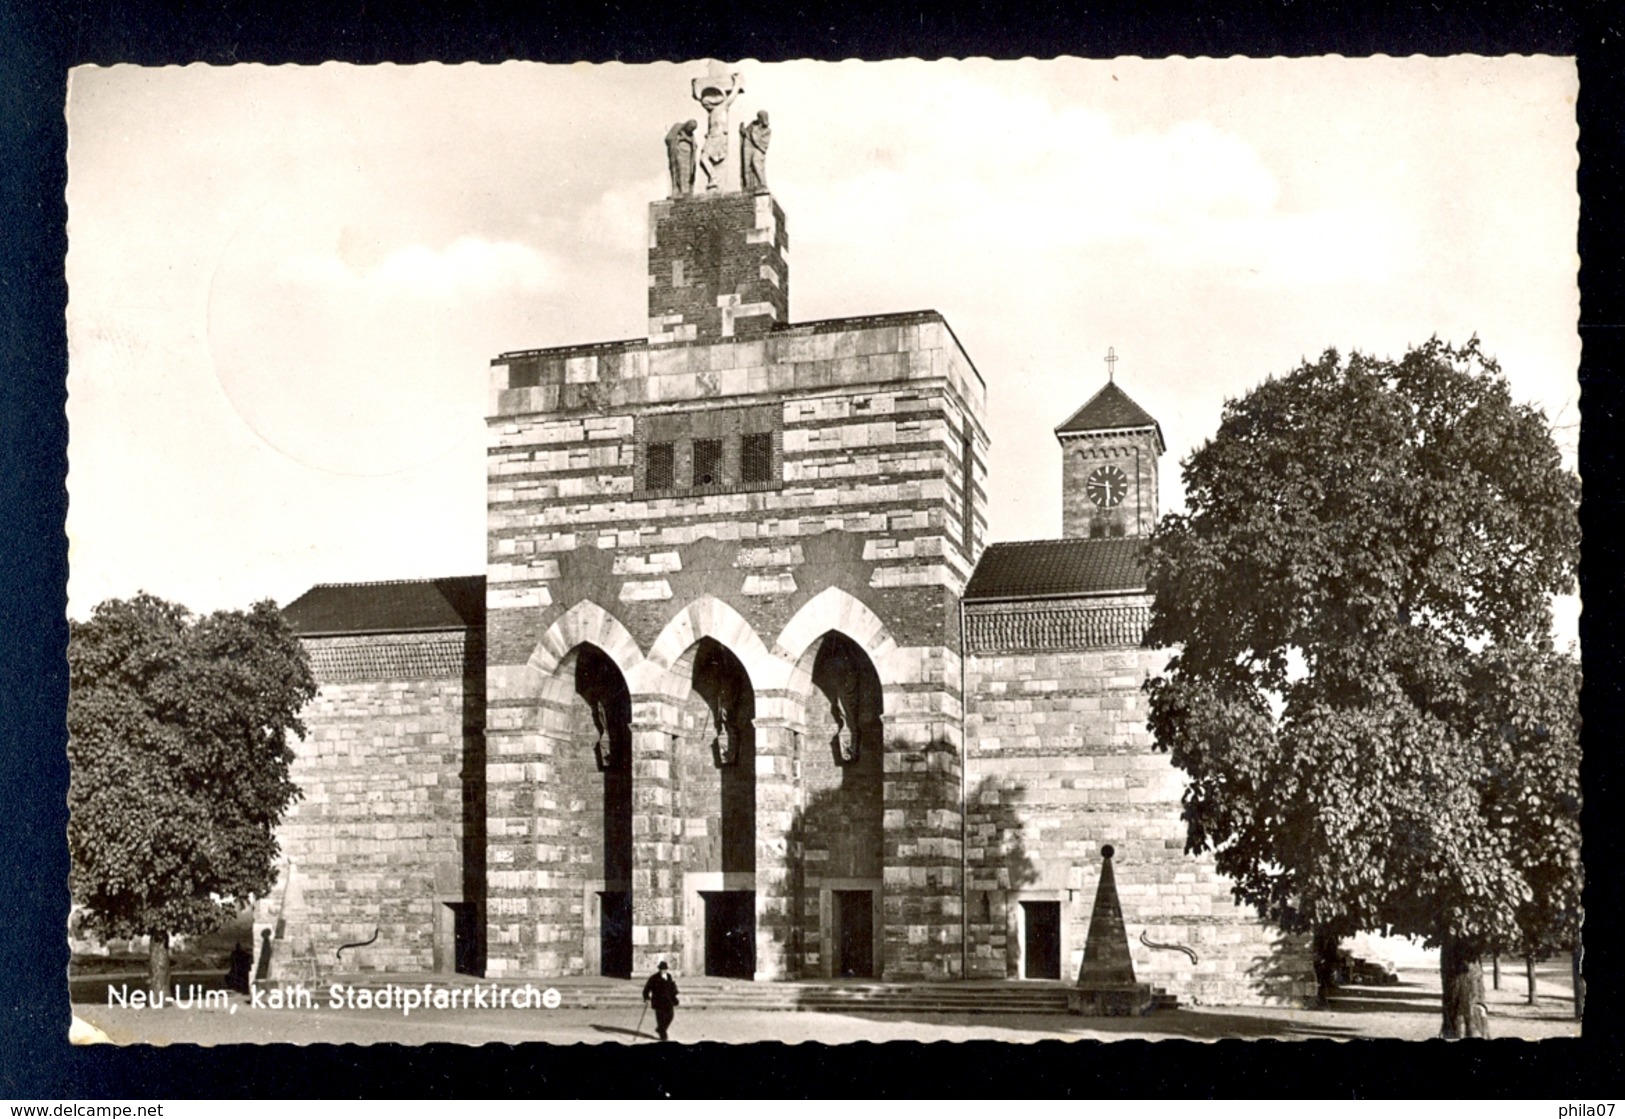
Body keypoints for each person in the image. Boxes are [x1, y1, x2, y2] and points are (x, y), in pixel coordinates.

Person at [641, 960, 680, 1041]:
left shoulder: (669, 976)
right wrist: (646, 997)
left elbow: (672, 988)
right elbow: (647, 988)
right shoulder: (654, 978)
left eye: (665, 969)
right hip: (658, 1001)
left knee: (670, 1016)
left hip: (668, 1001)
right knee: (660, 1019)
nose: (663, 971)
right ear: (659, 969)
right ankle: (663, 1035)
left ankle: (660, 1029)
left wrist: (675, 994)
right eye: (662, 969)